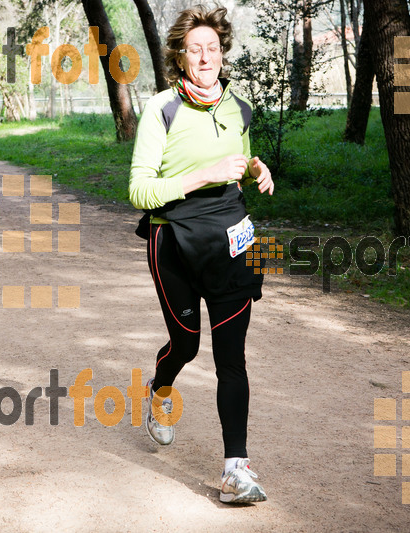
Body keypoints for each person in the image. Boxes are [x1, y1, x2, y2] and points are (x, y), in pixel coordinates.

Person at [128, 5, 274, 505]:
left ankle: (236, 470)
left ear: (222, 52)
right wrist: (202, 175)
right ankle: (159, 388)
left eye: (212, 47)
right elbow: (139, 190)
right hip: (174, 241)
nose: (205, 55)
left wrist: (257, 168)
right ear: (180, 55)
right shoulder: (162, 109)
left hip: (232, 237)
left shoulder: (240, 107)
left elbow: (240, 154)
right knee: (187, 345)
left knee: (231, 358)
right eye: (195, 48)